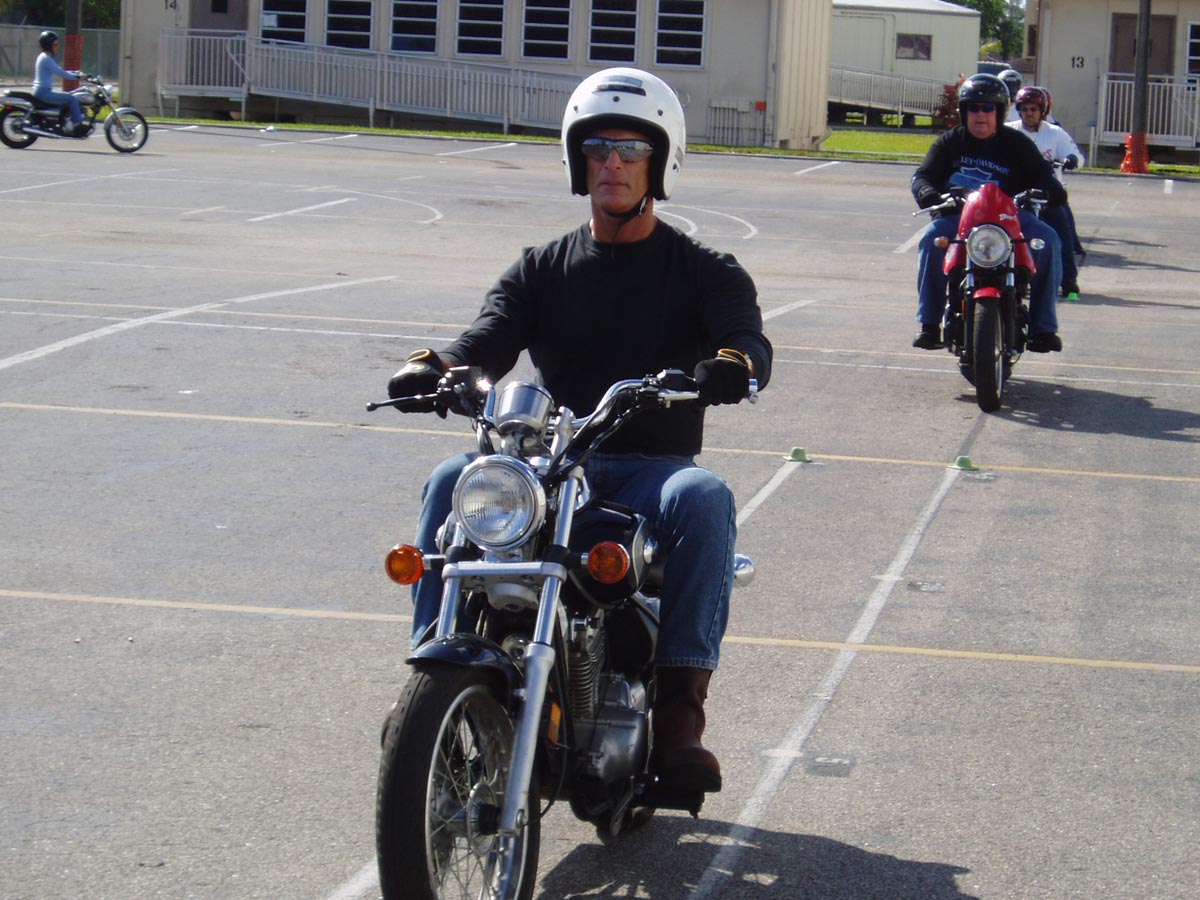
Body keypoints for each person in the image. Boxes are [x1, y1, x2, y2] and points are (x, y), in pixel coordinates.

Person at [385, 67, 772, 794]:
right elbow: (487, 338)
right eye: (598, 148)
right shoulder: (542, 267)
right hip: (551, 464)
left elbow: (745, 338)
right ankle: (430, 674)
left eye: (631, 149)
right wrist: (435, 368)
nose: (612, 163)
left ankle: (680, 718)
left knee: (706, 497)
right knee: (450, 479)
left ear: (659, 161)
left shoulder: (703, 271)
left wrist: (733, 364)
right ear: (577, 160)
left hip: (650, 466)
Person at [910, 73, 1067, 352]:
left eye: (987, 108)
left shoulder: (1018, 144)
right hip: (958, 217)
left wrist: (1051, 190)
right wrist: (927, 193)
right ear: (964, 111)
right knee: (931, 240)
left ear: (999, 112)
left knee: (1048, 240)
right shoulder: (950, 142)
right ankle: (929, 325)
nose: (980, 115)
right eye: (973, 108)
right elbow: (923, 175)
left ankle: (1044, 328)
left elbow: (1044, 176)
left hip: (1011, 217)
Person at [1008, 85, 1086, 299]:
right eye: (1024, 109)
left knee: (1062, 236)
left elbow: (1078, 157)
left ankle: (1069, 281)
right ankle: (1012, 276)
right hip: (1017, 197)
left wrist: (1070, 160)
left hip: (1048, 196)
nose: (1029, 114)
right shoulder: (1009, 131)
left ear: (1042, 111)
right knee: (1010, 235)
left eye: (1033, 109)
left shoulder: (1055, 133)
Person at [32, 30, 86, 136]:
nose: (57, 47)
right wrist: (76, 77)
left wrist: (76, 73)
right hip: (44, 93)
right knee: (72, 99)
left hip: (42, 91)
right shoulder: (46, 59)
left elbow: (60, 70)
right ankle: (77, 125)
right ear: (48, 46)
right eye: (55, 45)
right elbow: (60, 72)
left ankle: (68, 119)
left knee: (73, 94)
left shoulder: (44, 57)